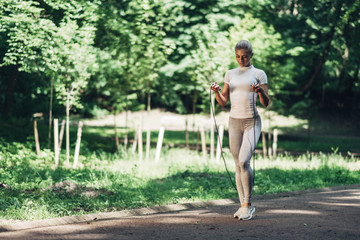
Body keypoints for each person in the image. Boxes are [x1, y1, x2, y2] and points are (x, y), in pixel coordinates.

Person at [211, 40, 269, 220]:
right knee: (237, 164)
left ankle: (248, 204)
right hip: (234, 121)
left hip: (252, 121)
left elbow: (266, 103)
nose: (241, 59)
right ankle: (242, 205)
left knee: (244, 161)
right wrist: (216, 91)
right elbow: (223, 102)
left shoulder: (259, 74)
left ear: (251, 55)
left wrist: (259, 91)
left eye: (244, 56)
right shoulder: (230, 74)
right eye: (237, 56)